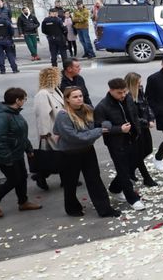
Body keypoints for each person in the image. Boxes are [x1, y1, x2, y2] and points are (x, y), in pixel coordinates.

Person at [54, 86, 121, 218]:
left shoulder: (88, 109)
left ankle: (104, 209)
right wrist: (99, 131)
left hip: (87, 150)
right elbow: (75, 136)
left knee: (94, 179)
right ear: (67, 99)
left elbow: (100, 122)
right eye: (75, 97)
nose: (79, 99)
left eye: (80, 96)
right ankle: (72, 208)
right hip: (70, 153)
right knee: (70, 182)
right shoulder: (63, 115)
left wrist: (105, 124)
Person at [0, 87, 43, 218]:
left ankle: (23, 202)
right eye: (24, 99)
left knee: (22, 177)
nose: (25, 101)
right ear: (17, 100)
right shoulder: (1, 117)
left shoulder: (14, 112)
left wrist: (28, 149)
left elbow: (20, 134)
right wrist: (7, 159)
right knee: (13, 179)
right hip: (6, 156)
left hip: (16, 153)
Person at [95, 78, 146, 210]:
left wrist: (138, 130)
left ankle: (115, 188)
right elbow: (100, 128)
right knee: (123, 170)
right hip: (116, 143)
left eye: (124, 92)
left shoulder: (127, 98)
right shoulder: (102, 107)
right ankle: (132, 199)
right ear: (110, 91)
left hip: (133, 138)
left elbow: (134, 114)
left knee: (133, 165)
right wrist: (119, 129)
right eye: (119, 93)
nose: (123, 95)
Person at [32, 66, 64, 190]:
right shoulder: (43, 94)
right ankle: (41, 176)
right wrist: (44, 133)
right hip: (51, 131)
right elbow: (43, 114)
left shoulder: (55, 90)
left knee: (57, 155)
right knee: (55, 156)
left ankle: (45, 176)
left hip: (58, 128)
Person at [123, 72, 157, 187]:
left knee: (147, 149)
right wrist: (146, 122)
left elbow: (147, 106)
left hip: (144, 126)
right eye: (138, 83)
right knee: (138, 153)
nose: (140, 85)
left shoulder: (140, 91)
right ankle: (146, 178)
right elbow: (132, 116)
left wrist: (151, 118)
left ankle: (131, 168)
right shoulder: (127, 97)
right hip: (136, 129)